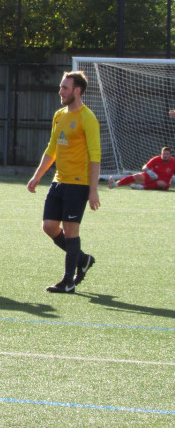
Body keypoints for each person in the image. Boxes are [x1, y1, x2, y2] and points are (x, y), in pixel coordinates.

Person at [27, 71, 100, 294]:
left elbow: (95, 155)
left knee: (70, 231)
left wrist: (93, 190)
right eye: (61, 87)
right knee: (49, 226)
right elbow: (52, 149)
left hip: (78, 185)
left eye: (65, 88)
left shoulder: (88, 118)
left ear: (77, 91)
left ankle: (68, 281)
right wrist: (37, 175)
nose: (61, 91)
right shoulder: (59, 115)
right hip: (59, 182)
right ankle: (83, 259)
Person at [108, 146, 175, 190]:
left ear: (170, 155)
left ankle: (142, 187)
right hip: (152, 178)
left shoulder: (173, 162)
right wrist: (149, 172)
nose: (165, 156)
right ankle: (115, 184)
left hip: (164, 182)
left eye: (167, 154)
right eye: (163, 154)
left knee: (161, 183)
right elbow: (144, 167)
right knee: (136, 176)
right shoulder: (156, 159)